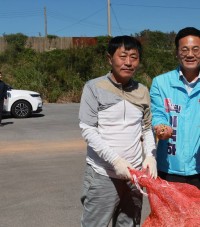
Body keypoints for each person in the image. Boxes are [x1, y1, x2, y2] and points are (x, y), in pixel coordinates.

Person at [79, 36, 157, 227]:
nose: (128, 62)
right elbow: (88, 130)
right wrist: (115, 160)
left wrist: (150, 156)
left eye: (134, 57)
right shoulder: (94, 87)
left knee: (129, 224)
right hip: (103, 174)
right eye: (123, 56)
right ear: (109, 58)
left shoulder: (142, 90)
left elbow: (146, 128)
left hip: (134, 177)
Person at [150, 27, 200, 189]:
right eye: (184, 49)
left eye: (196, 49)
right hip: (169, 169)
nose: (190, 54)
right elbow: (157, 112)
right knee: (168, 215)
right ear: (177, 53)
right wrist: (161, 127)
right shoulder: (160, 82)